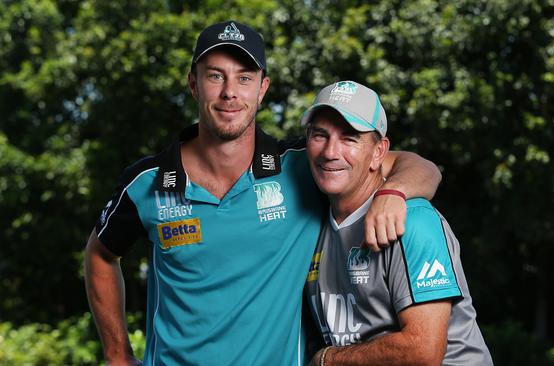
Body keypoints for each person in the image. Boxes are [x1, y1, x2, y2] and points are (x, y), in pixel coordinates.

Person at [83, 21, 441, 365]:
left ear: (263, 88)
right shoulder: (147, 182)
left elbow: (416, 166)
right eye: (215, 76)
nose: (230, 92)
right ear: (194, 84)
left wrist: (392, 193)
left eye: (244, 78)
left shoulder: (304, 166)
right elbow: (100, 255)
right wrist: (117, 354)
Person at [302, 81, 493, 365]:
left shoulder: (414, 220)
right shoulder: (311, 218)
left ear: (379, 152)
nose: (330, 151)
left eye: (350, 138)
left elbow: (422, 351)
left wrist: (327, 361)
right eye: (320, 135)